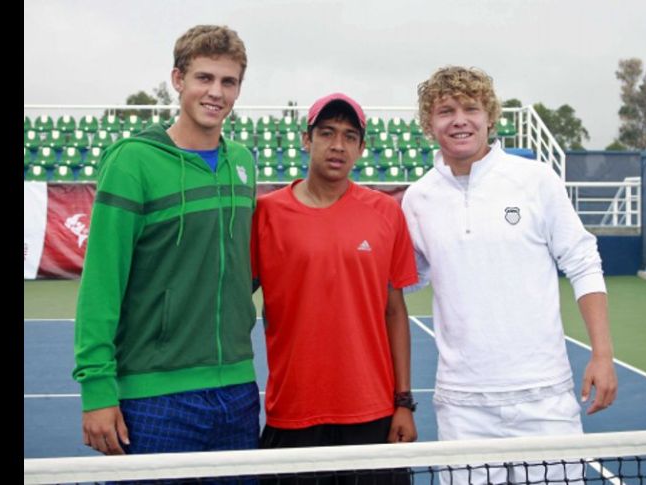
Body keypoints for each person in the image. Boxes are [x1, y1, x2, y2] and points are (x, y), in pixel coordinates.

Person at [402, 66, 618, 484]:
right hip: (462, 408)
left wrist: (603, 355)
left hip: (545, 401)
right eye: (446, 110)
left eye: (471, 107)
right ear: (430, 124)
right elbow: (408, 279)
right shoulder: (418, 199)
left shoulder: (535, 180)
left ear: (490, 117)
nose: (460, 119)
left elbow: (582, 260)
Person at [72, 25, 260, 462]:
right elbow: (102, 283)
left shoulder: (244, 164)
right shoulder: (131, 162)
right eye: (204, 78)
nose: (216, 92)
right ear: (178, 81)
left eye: (228, 82)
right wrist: (98, 389)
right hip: (155, 396)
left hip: (237, 390)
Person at [251, 93, 418, 484]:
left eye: (349, 136)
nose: (337, 145)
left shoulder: (386, 213)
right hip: (291, 413)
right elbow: (235, 301)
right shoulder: (266, 214)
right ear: (306, 140)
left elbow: (395, 311)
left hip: (372, 414)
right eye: (326, 133)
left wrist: (404, 402)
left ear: (361, 148)